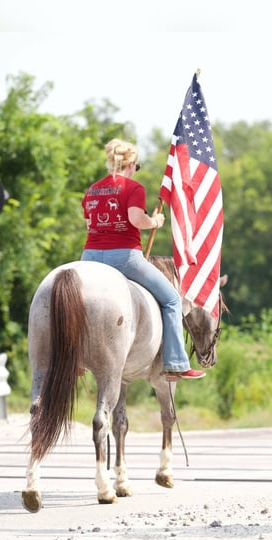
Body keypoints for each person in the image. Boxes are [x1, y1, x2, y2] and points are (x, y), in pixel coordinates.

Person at [79, 138, 205, 380]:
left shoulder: (92, 190)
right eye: (136, 168)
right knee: (171, 300)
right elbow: (136, 219)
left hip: (90, 258)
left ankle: (75, 359)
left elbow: (89, 225)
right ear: (131, 164)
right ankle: (176, 364)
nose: (135, 172)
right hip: (124, 257)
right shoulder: (133, 189)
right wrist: (155, 222)